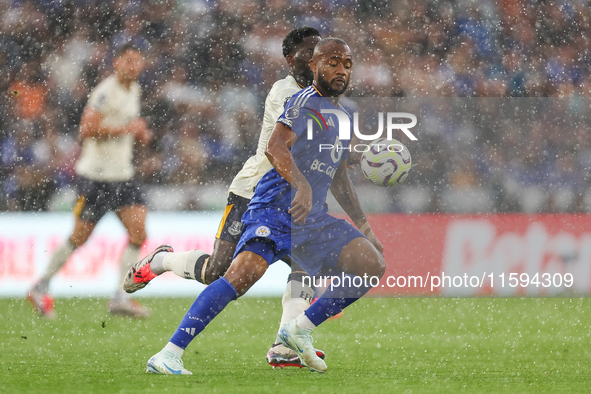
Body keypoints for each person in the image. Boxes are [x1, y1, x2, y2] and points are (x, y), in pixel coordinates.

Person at [143, 37, 385, 375]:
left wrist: (364, 226)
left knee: (370, 265)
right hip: (274, 207)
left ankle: (296, 332)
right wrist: (301, 186)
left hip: (311, 219)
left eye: (346, 64)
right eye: (332, 62)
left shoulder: (341, 116)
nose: (341, 70)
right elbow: (275, 147)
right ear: (314, 66)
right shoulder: (300, 102)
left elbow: (339, 177)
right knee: (239, 276)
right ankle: (168, 353)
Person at [123, 27, 327, 368]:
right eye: (310, 53)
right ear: (292, 60)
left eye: (321, 52)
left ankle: (283, 345)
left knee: (305, 264)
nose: (318, 59)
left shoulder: (321, 94)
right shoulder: (285, 92)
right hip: (254, 191)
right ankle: (162, 261)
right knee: (218, 271)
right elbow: (294, 146)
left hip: (292, 196)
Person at [27, 44, 153, 319]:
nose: (133, 66)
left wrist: (138, 131)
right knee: (78, 237)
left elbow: (125, 126)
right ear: (117, 62)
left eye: (138, 62)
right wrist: (126, 129)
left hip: (123, 175)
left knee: (139, 232)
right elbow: (86, 129)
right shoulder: (105, 92)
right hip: (96, 177)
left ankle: (120, 296)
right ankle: (40, 286)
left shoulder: (134, 90)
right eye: (128, 61)